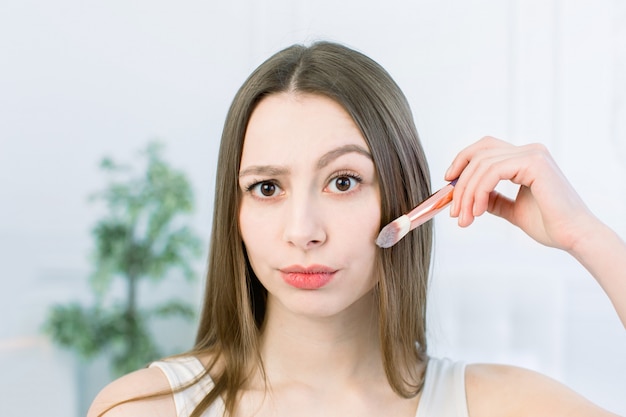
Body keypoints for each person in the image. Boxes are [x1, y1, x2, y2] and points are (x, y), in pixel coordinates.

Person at [87, 41, 626, 417]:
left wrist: (587, 235)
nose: (303, 231)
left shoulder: (502, 407)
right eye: (267, 188)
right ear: (236, 215)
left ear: (404, 198)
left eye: (343, 181)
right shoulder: (140, 409)